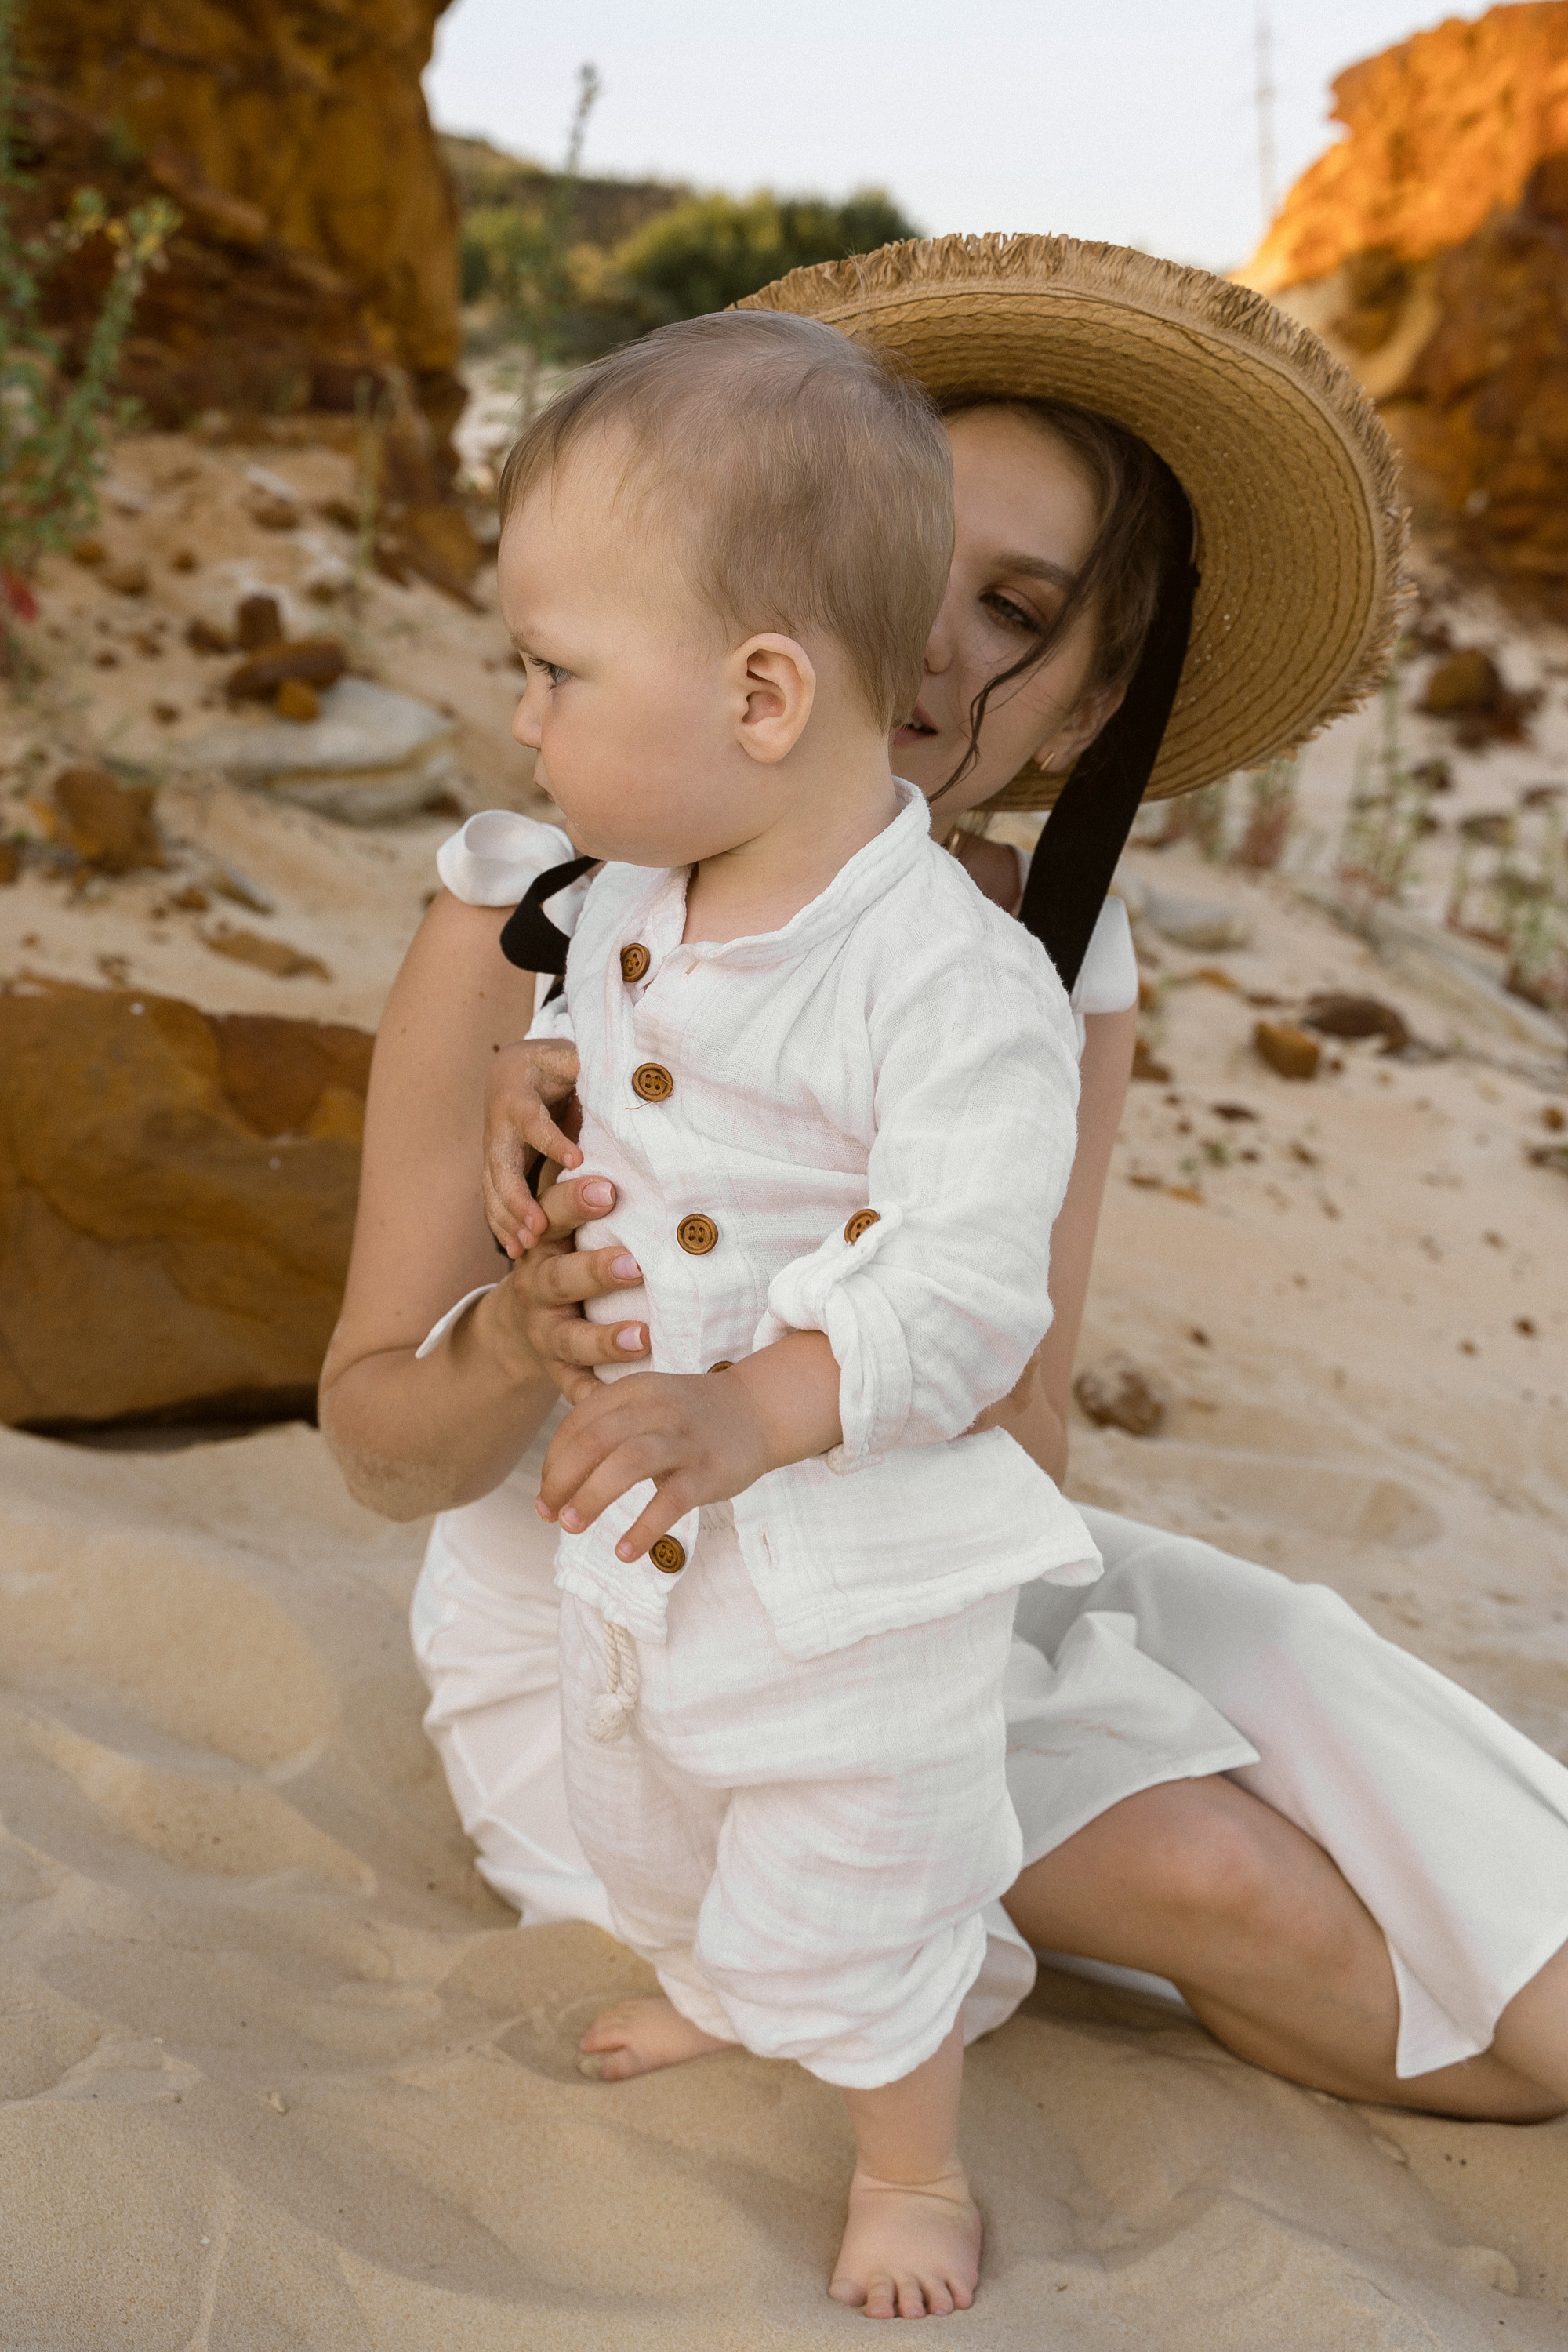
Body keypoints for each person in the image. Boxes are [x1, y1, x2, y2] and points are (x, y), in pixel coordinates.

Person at [319, 235, 1568, 2229]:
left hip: (908, 1561)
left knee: (1351, 1725)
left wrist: (821, 1412)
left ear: (1089, 702)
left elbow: (1019, 1417)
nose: (919, 639)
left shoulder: (1041, 973)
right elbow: (378, 1448)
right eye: (903, 555)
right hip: (621, 1659)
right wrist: (515, 1336)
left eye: (1016, 608)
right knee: (1227, 1881)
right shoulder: (537, 912)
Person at [473, 303, 1124, 2320]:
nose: (521, 720)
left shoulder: (951, 984)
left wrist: (759, 1410)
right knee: (662, 1812)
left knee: (862, 1856)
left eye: (553, 670)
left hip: (851, 1566)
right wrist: (533, 1077)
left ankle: (909, 2161)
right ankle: (732, 1992)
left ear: (761, 692)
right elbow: (594, 1030)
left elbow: (964, 1283)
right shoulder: (637, 895)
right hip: (650, 1526)